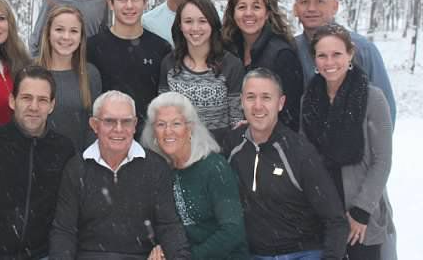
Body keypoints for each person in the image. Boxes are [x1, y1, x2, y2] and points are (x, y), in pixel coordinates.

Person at [49, 91, 191, 259]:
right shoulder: (77, 168)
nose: (118, 129)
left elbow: (169, 226)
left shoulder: (156, 167)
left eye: (126, 122)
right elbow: (64, 231)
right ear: (94, 125)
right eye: (109, 121)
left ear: (135, 125)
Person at [224, 68, 348, 260]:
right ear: (241, 101)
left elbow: (335, 219)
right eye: (250, 97)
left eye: (266, 97)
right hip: (253, 253)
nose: (257, 106)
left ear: (280, 103)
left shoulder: (299, 152)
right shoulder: (232, 145)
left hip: (301, 252)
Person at [301, 24, 396, 260]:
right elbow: (306, 158)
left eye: (337, 54)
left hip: (361, 211)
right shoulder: (308, 99)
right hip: (324, 213)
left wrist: (361, 211)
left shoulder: (373, 98)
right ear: (314, 59)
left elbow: (382, 161)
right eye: (322, 55)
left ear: (350, 54)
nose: (329, 62)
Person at [0, 66, 75, 259]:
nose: (34, 107)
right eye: (27, 98)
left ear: (52, 105)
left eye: (42, 100)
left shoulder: (63, 149)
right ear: (12, 100)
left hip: (40, 255)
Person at [142, 91, 249, 260]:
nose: (168, 131)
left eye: (176, 123)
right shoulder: (159, 171)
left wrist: (188, 257)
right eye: (161, 124)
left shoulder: (214, 167)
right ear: (153, 131)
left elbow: (233, 231)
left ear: (190, 127)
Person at [292, 0, 396, 124]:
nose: (311, 8)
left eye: (320, 1)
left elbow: (385, 112)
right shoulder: (291, 49)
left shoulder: (362, 49)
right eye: (304, 2)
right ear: (296, 8)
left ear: (335, 6)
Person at [87, 0, 172, 136]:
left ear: (145, 3)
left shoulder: (160, 48)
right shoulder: (92, 47)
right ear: (111, 3)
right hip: (106, 137)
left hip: (148, 138)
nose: (129, 6)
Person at [159, 0, 245, 145]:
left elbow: (236, 121)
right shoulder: (169, 64)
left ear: (212, 23)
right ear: (180, 25)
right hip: (178, 153)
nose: (195, 28)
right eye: (188, 21)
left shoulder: (231, 65)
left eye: (202, 21)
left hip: (219, 155)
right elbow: (163, 115)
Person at [223, 0, 303, 131]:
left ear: (267, 13)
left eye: (256, 7)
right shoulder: (228, 50)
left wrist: (257, 126)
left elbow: (290, 115)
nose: (248, 13)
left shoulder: (282, 55)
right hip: (232, 142)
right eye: (241, 7)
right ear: (233, 12)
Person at [37, 6, 102, 151]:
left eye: (73, 31)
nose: (66, 37)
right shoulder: (31, 71)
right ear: (48, 33)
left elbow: (94, 126)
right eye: (59, 29)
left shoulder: (90, 74)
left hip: (76, 162)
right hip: (35, 161)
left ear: (81, 37)